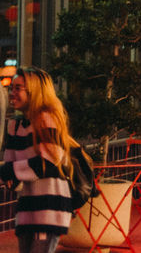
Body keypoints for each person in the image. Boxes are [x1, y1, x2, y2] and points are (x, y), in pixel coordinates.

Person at [0, 67, 76, 253]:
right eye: (12, 88)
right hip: (28, 207)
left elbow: (47, 163)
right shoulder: (15, 125)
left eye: (18, 88)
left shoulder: (46, 119)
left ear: (34, 91)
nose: (12, 93)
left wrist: (10, 171)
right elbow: (10, 170)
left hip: (49, 207)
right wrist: (10, 174)